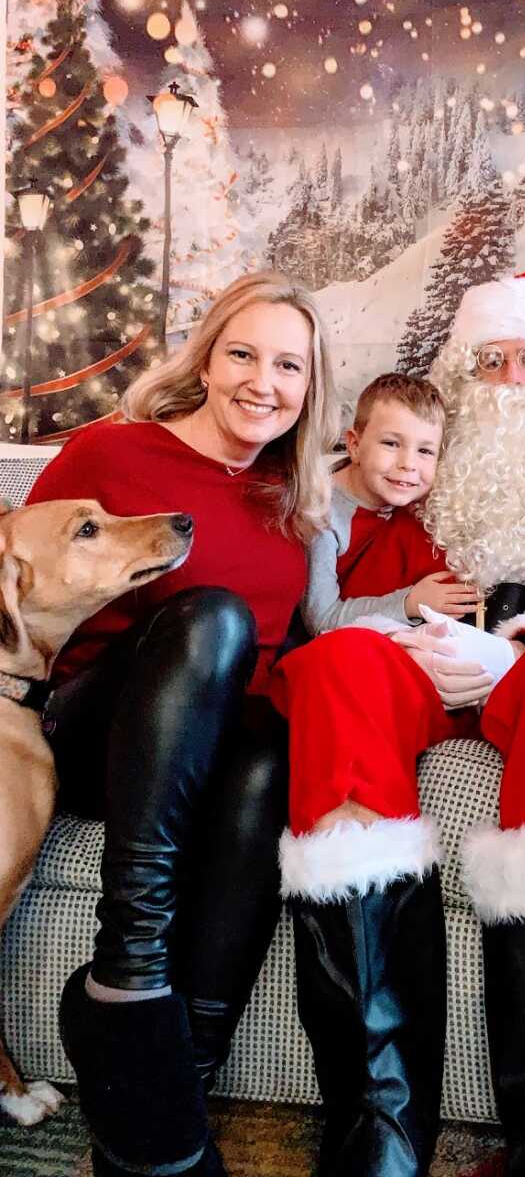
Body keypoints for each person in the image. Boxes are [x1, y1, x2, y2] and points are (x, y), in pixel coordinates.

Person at [270, 273, 525, 1177]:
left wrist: (522, 650)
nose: (514, 380)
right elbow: (339, 593)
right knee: (334, 666)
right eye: (491, 362)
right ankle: (381, 1122)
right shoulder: (415, 488)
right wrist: (412, 633)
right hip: (420, 668)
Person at [26, 271, 339, 1177]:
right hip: (93, 735)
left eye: (290, 365)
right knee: (215, 615)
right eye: (243, 353)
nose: (263, 381)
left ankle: (176, 1082)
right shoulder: (113, 454)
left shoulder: (296, 493)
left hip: (212, 755)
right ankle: (126, 957)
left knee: (270, 745)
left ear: (311, 388)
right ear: (207, 360)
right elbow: (20, 580)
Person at [301, 371, 478, 636]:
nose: (408, 464)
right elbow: (322, 619)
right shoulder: (322, 516)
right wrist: (410, 603)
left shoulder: (412, 496)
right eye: (391, 443)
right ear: (355, 445)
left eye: (425, 451)